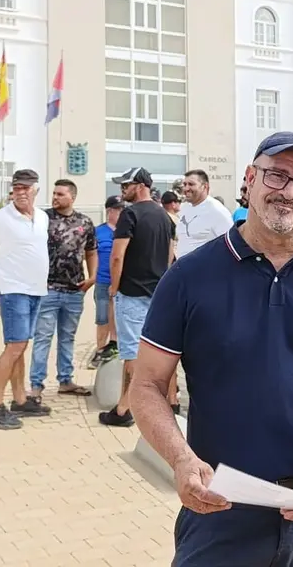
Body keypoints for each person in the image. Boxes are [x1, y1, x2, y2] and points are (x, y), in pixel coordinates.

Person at [131, 131, 293, 565]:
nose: (288, 192)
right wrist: (180, 459)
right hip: (220, 505)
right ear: (250, 178)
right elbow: (148, 385)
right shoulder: (189, 277)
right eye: (276, 176)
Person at [0, 169, 53, 429]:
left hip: (35, 290)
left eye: (26, 188)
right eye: (17, 187)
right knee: (14, 347)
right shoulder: (0, 219)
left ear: (36, 190)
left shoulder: (41, 217)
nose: (21, 192)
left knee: (20, 346)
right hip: (13, 290)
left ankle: (20, 399)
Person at [100, 167, 177, 427]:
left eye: (126, 185)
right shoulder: (164, 216)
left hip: (131, 293)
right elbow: (169, 254)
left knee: (131, 354)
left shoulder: (130, 214)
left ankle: (124, 409)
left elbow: (117, 255)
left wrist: (114, 286)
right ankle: (140, 403)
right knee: (150, 352)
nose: (122, 189)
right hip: (155, 293)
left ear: (141, 185)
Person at [29, 179, 98, 399]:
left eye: (60, 194)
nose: (55, 197)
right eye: (54, 193)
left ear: (72, 197)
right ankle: (36, 384)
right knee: (43, 337)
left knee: (67, 337)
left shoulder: (85, 222)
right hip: (47, 288)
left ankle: (66, 380)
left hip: (74, 290)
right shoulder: (42, 218)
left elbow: (91, 251)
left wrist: (92, 277)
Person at [87, 195, 124, 369]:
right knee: (102, 318)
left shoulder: (126, 231)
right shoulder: (98, 232)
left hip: (123, 282)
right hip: (103, 281)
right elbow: (89, 255)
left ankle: (115, 348)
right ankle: (100, 349)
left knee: (119, 317)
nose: (122, 213)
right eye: (119, 209)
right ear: (110, 211)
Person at [175, 169, 235, 260]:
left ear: (205, 186)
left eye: (191, 184)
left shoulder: (217, 211)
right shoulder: (184, 208)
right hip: (182, 270)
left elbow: (231, 244)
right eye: (185, 184)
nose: (186, 188)